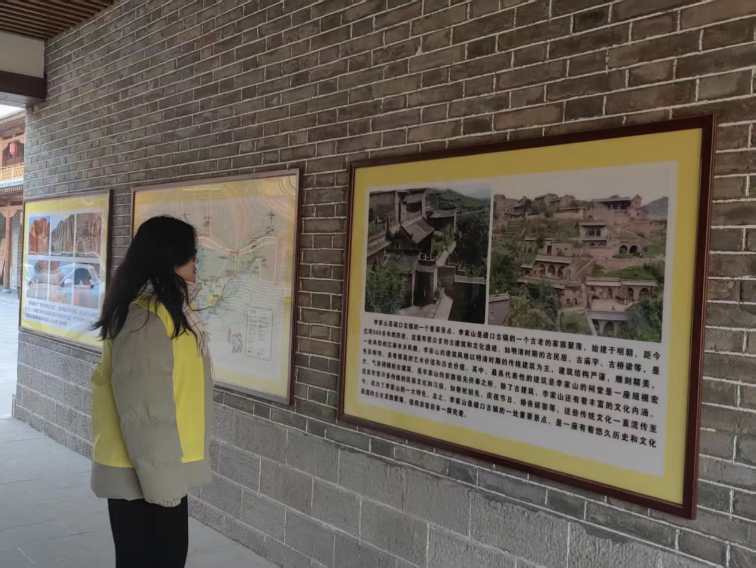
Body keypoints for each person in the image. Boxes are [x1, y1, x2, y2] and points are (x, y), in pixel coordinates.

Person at [90, 216, 214, 568]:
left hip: (157, 470)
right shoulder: (146, 320)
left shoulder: (167, 312)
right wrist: (164, 489)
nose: (196, 263)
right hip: (148, 479)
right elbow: (145, 413)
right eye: (191, 254)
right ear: (170, 259)